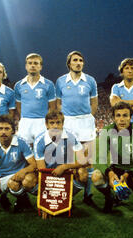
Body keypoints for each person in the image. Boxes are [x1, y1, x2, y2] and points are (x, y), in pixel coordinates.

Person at [91, 102, 133, 215]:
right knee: (96, 176)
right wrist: (110, 173)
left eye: (125, 115)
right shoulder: (107, 131)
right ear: (113, 118)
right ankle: (110, 198)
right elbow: (100, 159)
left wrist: (128, 174)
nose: (122, 119)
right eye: (118, 115)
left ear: (130, 117)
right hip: (116, 169)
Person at [55, 51, 98, 206]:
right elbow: (58, 103)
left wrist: (89, 117)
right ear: (69, 63)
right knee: (68, 161)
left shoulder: (90, 80)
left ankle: (88, 195)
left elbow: (94, 103)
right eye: (75, 60)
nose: (78, 62)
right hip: (68, 122)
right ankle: (67, 195)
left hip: (86, 122)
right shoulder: (60, 81)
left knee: (88, 162)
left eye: (81, 60)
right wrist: (64, 119)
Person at [33, 110, 89, 219]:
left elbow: (84, 161)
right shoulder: (39, 140)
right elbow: (42, 171)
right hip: (48, 176)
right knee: (28, 181)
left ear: (63, 124)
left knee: (83, 174)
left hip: (66, 174)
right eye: (52, 123)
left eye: (58, 123)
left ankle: (67, 199)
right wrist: (46, 204)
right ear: (46, 125)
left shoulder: (71, 136)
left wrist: (64, 167)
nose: (55, 126)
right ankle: (50, 201)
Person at [14, 53, 56, 146]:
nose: (33, 65)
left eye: (36, 63)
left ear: (40, 67)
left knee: (42, 151)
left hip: (42, 122)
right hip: (25, 122)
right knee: (25, 152)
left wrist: (48, 123)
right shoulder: (18, 85)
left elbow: (52, 108)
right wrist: (26, 117)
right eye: (30, 63)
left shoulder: (49, 84)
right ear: (26, 66)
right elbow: (19, 106)